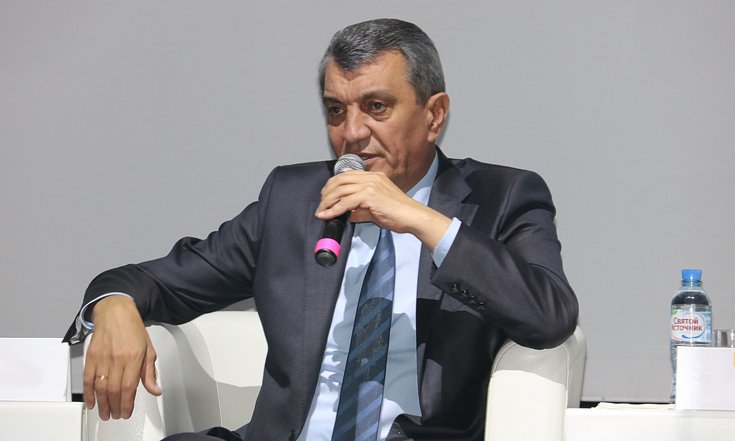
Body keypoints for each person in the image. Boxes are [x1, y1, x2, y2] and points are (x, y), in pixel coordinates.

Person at [64, 18, 578, 441]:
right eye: (336, 111)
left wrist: (422, 221)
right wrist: (114, 305)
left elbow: (550, 315)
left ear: (434, 115)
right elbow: (156, 280)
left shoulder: (502, 197)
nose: (351, 133)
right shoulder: (293, 199)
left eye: (376, 107)